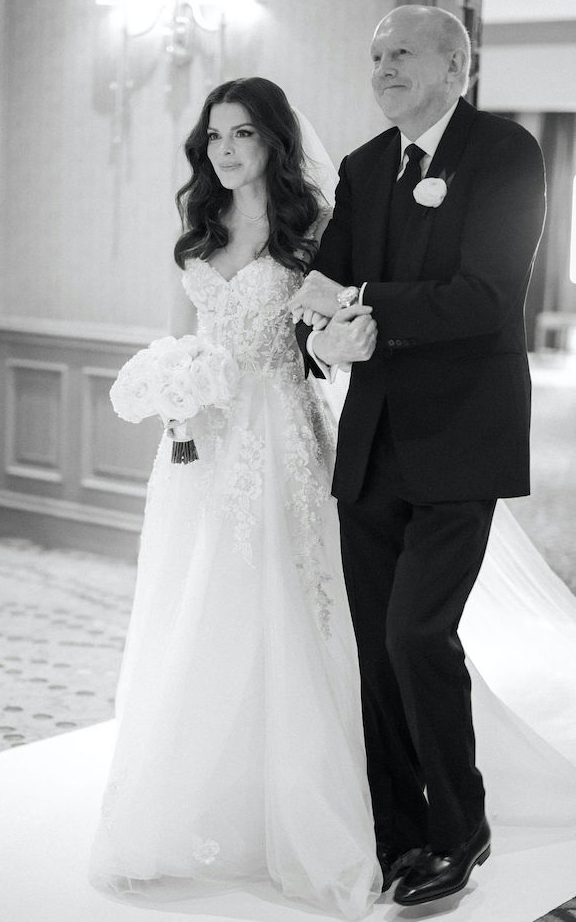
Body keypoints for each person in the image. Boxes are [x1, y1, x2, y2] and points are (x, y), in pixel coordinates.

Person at [89, 76, 382, 920]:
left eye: (243, 133)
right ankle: (200, 799)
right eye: (215, 134)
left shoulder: (310, 231)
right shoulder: (198, 233)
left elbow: (329, 342)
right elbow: (178, 339)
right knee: (201, 603)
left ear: (273, 143)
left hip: (280, 431)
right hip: (202, 442)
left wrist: (334, 344)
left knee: (288, 602)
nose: (225, 148)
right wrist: (172, 389)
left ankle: (307, 809)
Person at [291, 3, 548, 907]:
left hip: (462, 439)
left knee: (416, 632)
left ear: (456, 65)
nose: (383, 67)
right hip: (371, 445)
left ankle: (461, 827)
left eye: (402, 53)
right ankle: (398, 833)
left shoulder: (506, 153)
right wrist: (328, 329)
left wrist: (364, 304)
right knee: (375, 647)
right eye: (375, 56)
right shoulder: (365, 167)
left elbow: (484, 296)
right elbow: (320, 290)